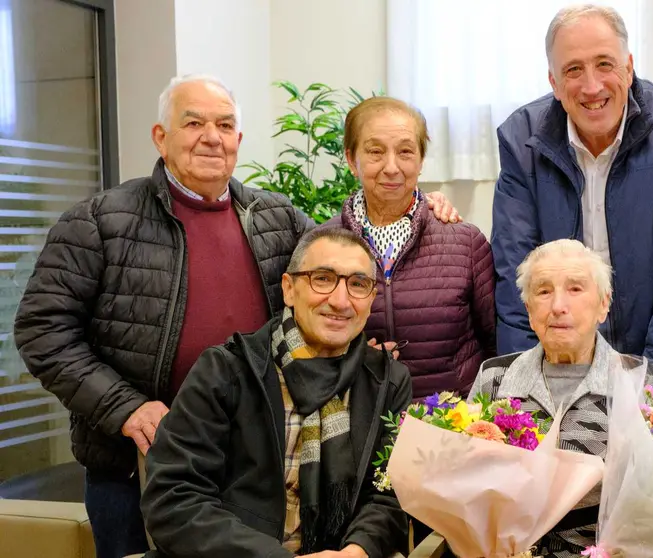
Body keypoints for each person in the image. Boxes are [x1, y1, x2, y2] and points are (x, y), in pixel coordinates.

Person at [11, 74, 456, 558]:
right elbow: (42, 330)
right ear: (161, 136)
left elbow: (338, 259)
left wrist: (418, 207)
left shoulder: (276, 218)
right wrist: (124, 407)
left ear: (238, 139)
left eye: (224, 124)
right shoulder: (99, 221)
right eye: (193, 122)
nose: (211, 136)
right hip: (135, 460)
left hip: (256, 457)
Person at [141, 226, 410, 558]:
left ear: (371, 299)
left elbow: (390, 495)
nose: (340, 301)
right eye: (322, 279)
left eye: (357, 285)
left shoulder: (388, 381)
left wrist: (356, 551)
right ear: (288, 289)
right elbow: (173, 499)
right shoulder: (227, 370)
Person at [490, 4, 653, 376]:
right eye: (573, 70)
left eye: (604, 64)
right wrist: (530, 396)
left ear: (629, 67)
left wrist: (646, 381)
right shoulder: (520, 140)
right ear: (553, 82)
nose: (592, 86)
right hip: (558, 365)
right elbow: (517, 282)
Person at [471, 239, 653, 557]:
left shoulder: (641, 383)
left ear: (604, 304)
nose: (558, 306)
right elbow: (469, 487)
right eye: (543, 291)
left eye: (575, 289)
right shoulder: (495, 379)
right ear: (528, 308)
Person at [332, 96, 496, 399]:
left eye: (405, 151)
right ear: (351, 159)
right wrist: (348, 357)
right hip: (359, 425)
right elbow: (303, 346)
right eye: (375, 151)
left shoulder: (465, 242)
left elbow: (494, 343)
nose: (392, 167)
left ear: (421, 161)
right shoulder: (323, 246)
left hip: (450, 425)